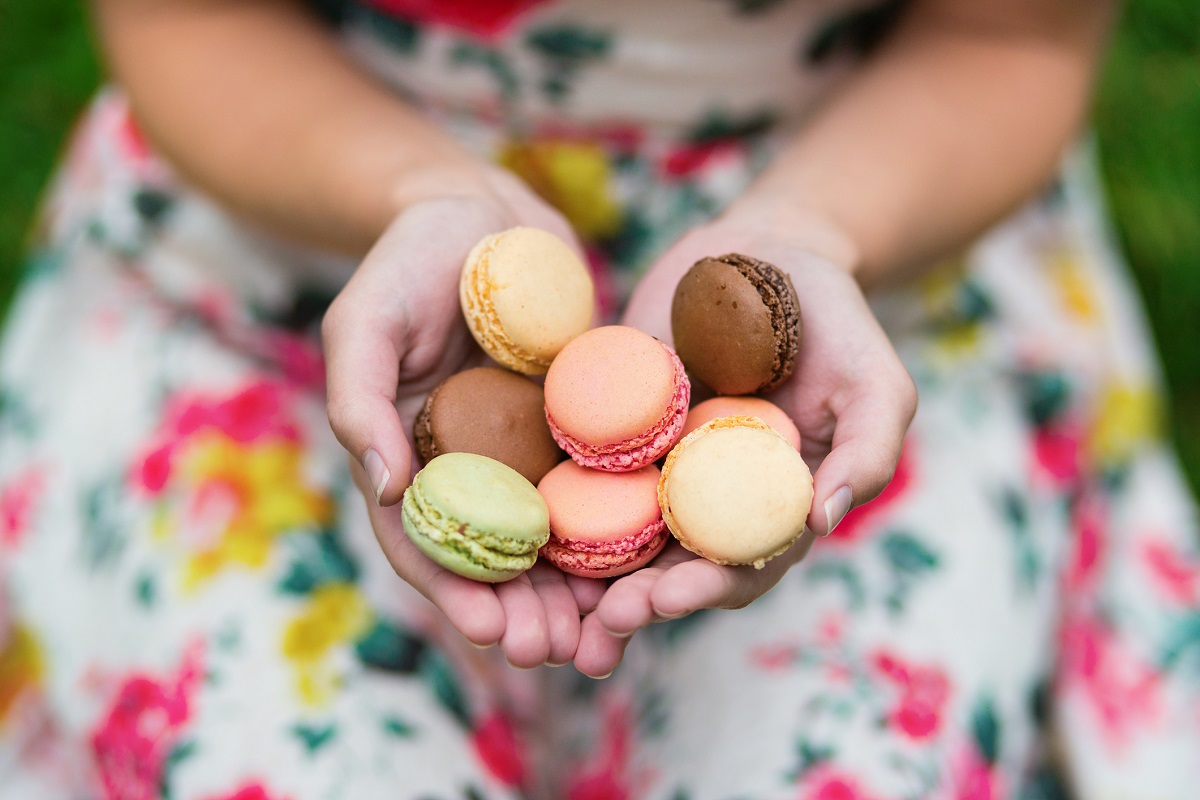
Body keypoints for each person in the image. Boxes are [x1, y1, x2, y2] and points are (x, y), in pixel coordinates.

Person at [1, 0, 1197, 797]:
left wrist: (806, 232)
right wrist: (417, 190)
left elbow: (1013, 35)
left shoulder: (804, 297)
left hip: (861, 263)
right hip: (291, 250)